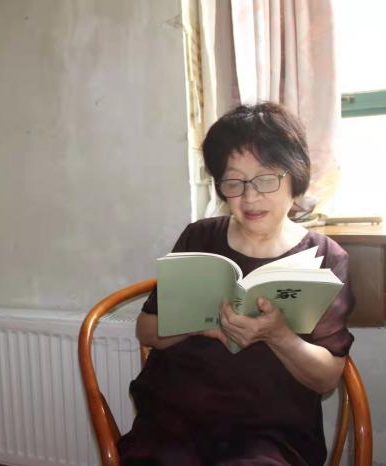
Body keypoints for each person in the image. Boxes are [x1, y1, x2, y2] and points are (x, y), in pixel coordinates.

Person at [117, 102, 354, 466]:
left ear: (294, 178)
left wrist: (278, 335)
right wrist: (197, 322)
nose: (250, 196)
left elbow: (326, 378)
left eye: (266, 178)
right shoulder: (199, 238)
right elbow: (147, 330)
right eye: (234, 182)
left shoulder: (325, 257)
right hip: (177, 420)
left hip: (272, 432)